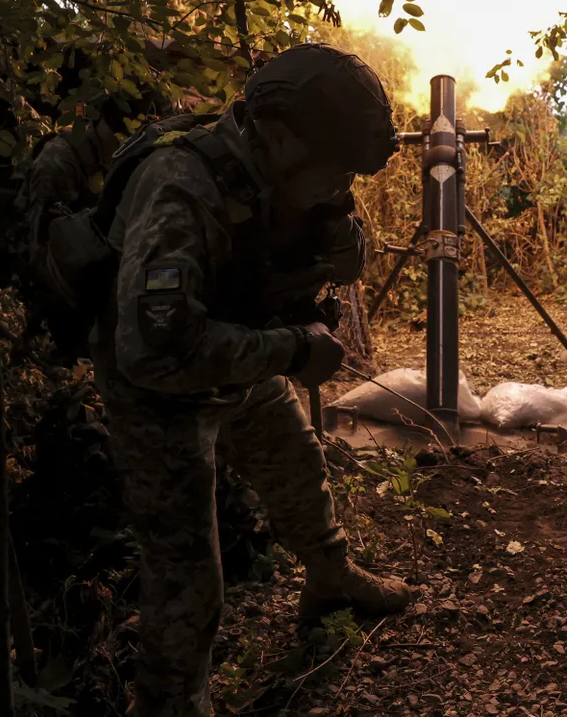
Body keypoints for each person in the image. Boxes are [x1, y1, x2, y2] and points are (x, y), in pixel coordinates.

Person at [92, 43, 415, 717]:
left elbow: (318, 242)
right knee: (187, 583)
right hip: (160, 390)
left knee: (297, 465)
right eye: (331, 173)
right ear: (278, 134)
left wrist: (343, 248)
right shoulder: (180, 187)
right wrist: (292, 350)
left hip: (242, 353)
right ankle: (171, 702)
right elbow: (154, 351)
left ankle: (329, 577)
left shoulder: (283, 172)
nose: (338, 187)